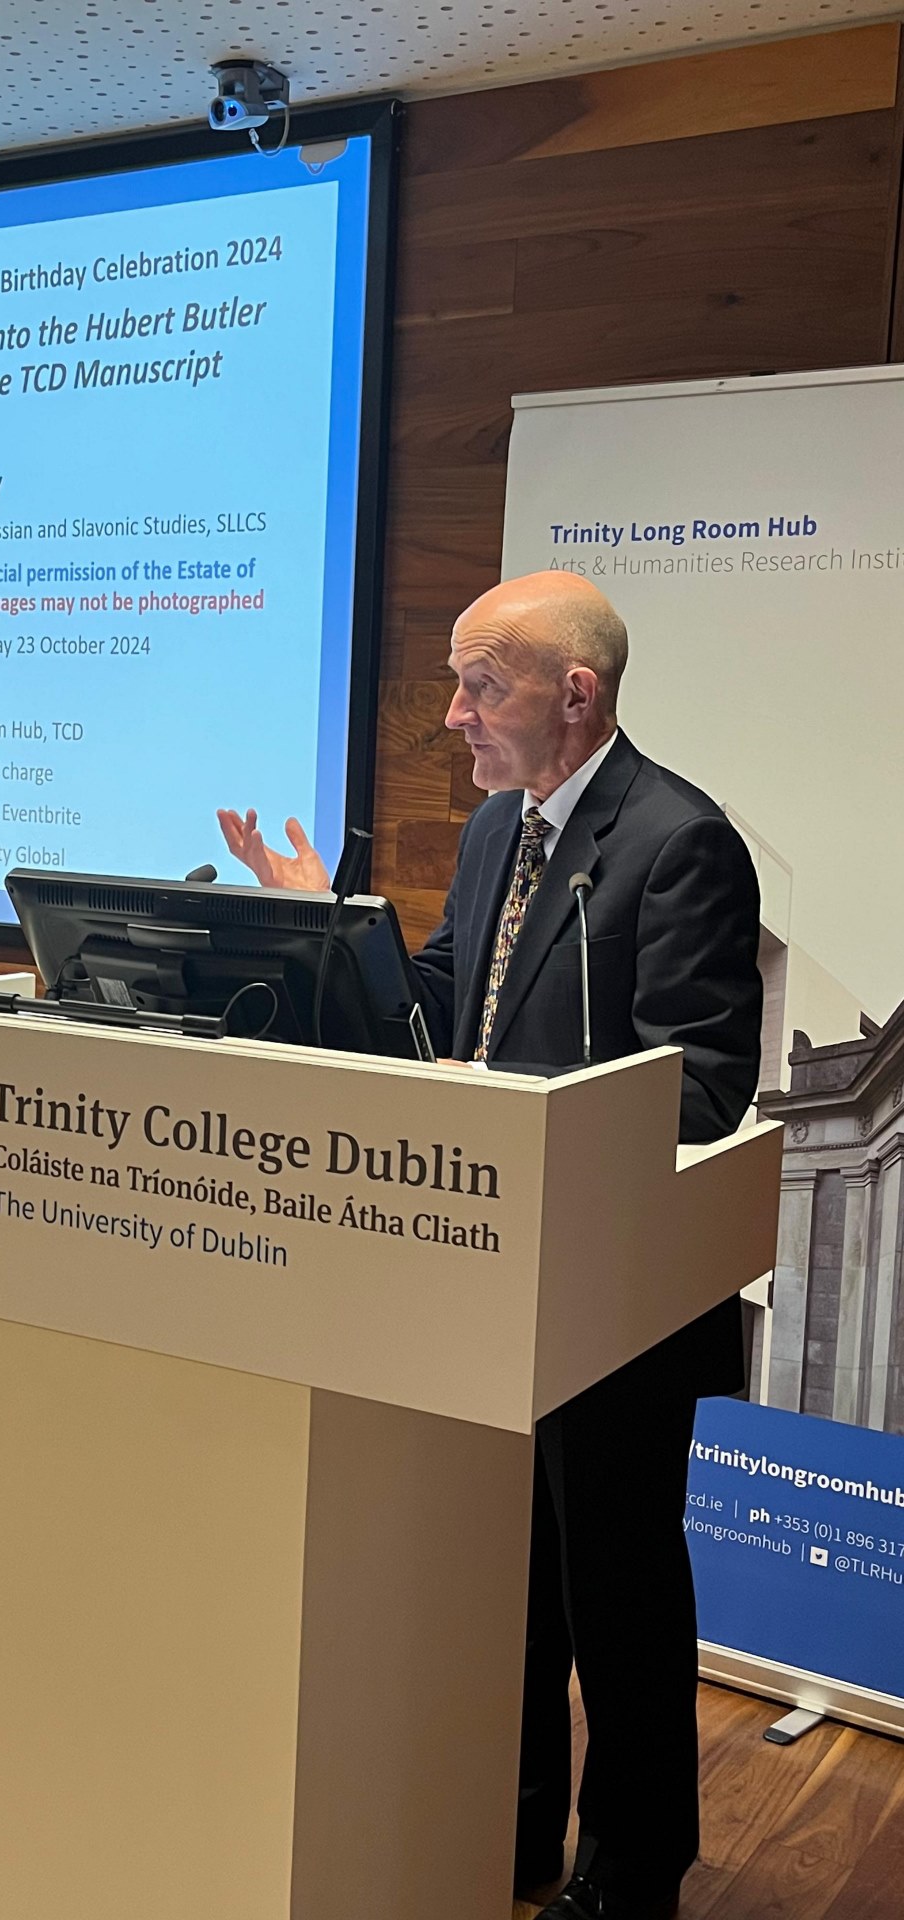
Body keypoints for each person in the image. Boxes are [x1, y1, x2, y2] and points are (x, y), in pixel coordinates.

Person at [219, 572, 762, 1920]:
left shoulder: (679, 841)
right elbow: (438, 1015)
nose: (452, 714)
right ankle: (506, 1831)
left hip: (610, 1293)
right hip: (479, 1275)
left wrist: (512, 1112)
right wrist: (324, 926)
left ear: (576, 693)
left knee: (614, 1589)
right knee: (503, 1580)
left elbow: (700, 1088)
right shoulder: (491, 836)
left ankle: (632, 1870)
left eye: (483, 684)